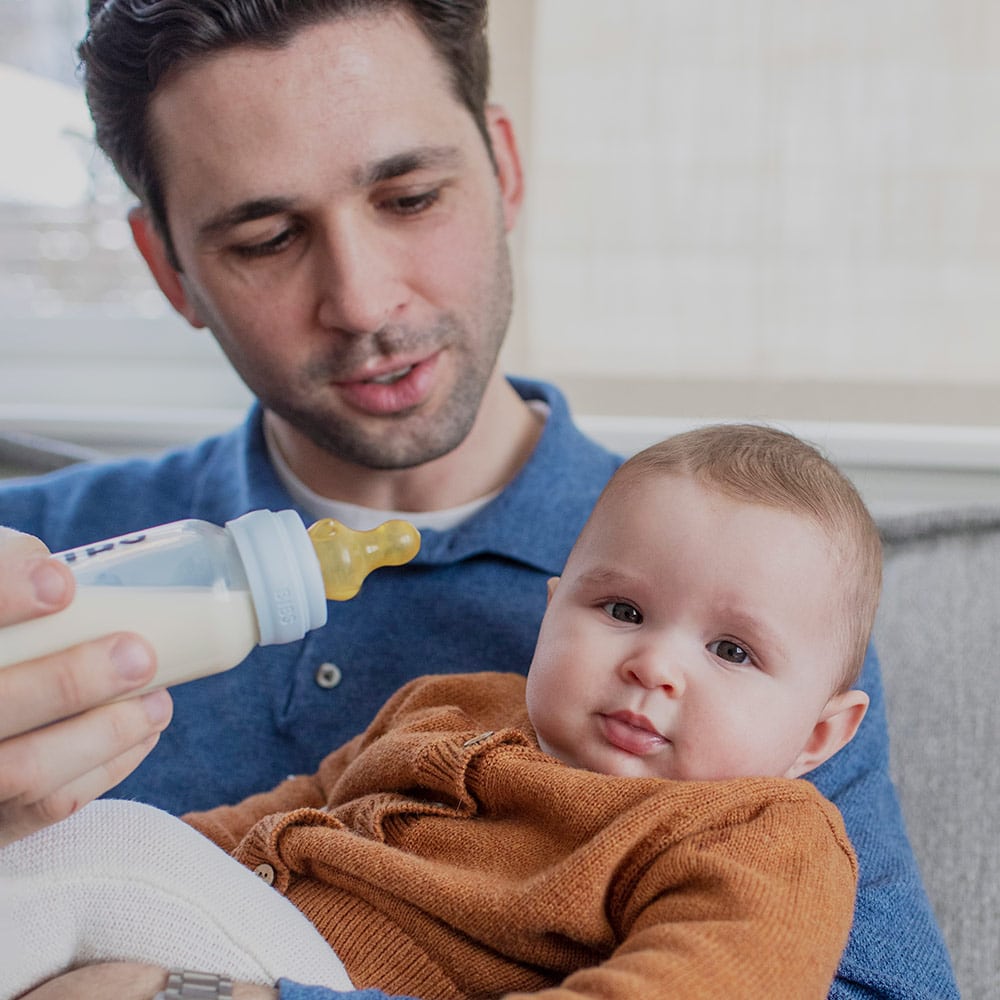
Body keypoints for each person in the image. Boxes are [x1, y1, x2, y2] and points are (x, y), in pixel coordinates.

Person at [0, 2, 957, 998]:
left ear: (502, 167)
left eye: (410, 198)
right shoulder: (47, 564)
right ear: (169, 270)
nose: (365, 302)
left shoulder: (764, 597)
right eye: (269, 237)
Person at [8, 425, 877, 1000]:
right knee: (96, 843)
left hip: (321, 983)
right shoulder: (448, 704)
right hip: (241, 929)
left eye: (731, 652)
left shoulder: (762, 833)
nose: (654, 664)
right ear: (551, 610)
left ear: (819, 735)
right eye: (621, 612)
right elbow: (275, 814)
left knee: (107, 846)